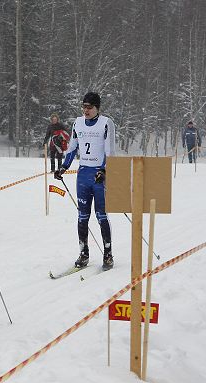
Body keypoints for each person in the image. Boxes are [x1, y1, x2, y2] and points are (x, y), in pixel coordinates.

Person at [54, 92, 116, 270]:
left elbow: (110, 151)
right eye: (84, 107)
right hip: (83, 175)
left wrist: (104, 170)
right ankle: (84, 253)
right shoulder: (78, 123)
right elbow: (73, 147)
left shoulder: (106, 123)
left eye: (90, 107)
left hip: (99, 174)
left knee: (101, 215)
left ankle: (108, 253)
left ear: (97, 108)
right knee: (82, 216)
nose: (86, 110)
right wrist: (64, 167)